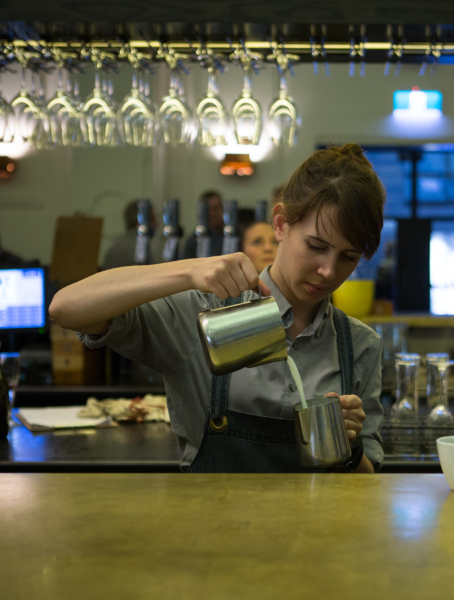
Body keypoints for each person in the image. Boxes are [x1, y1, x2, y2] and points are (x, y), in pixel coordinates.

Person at [49, 144, 386, 473]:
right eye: (316, 246)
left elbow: (368, 477)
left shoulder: (359, 345)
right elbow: (66, 308)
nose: (328, 271)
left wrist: (350, 446)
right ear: (281, 224)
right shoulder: (204, 314)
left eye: (348, 257)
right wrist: (188, 271)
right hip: (212, 513)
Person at [101, 200, 165, 270]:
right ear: (139, 221)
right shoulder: (143, 248)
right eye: (152, 219)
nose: (156, 224)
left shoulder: (114, 247)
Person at [179, 190, 224, 259]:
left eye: (215, 209)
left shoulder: (233, 237)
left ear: (222, 209)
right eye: (208, 210)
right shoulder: (193, 241)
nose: (212, 214)